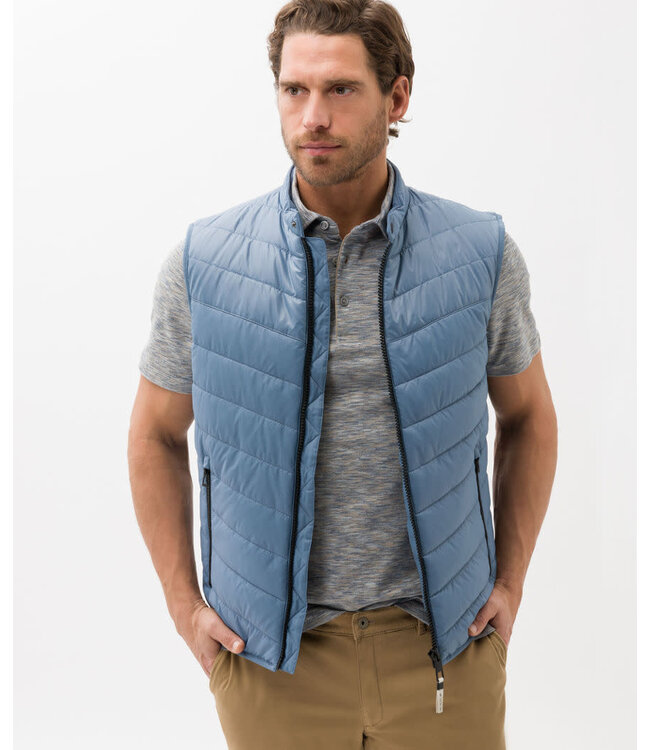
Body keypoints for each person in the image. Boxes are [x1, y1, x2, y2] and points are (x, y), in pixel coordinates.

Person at [127, 1, 558, 747]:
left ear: (397, 97)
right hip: (270, 664)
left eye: (341, 89)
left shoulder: (480, 254)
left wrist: (510, 585)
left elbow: (529, 417)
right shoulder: (204, 264)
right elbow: (153, 436)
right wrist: (183, 606)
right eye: (294, 90)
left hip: (446, 652)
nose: (313, 117)